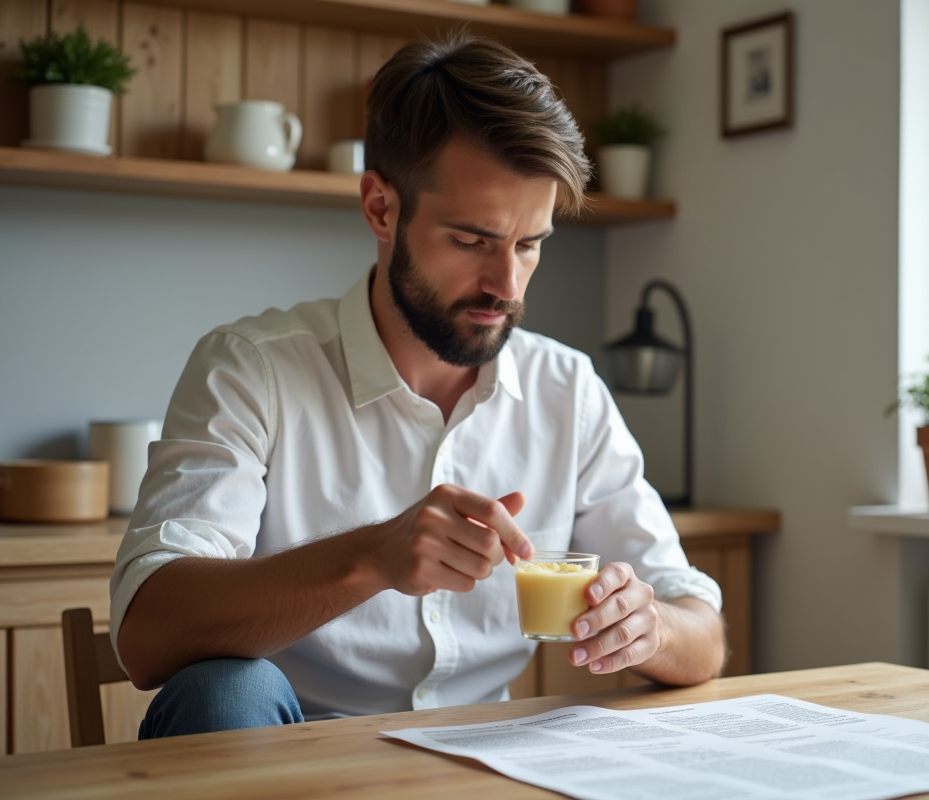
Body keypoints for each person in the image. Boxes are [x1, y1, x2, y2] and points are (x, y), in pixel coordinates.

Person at [110, 34, 725, 738]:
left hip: (489, 763)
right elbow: (148, 634)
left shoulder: (568, 390)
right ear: (380, 207)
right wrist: (369, 557)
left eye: (530, 245)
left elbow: (701, 633)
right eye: (472, 241)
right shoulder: (252, 369)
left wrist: (650, 628)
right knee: (225, 690)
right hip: (289, 761)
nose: (507, 286)